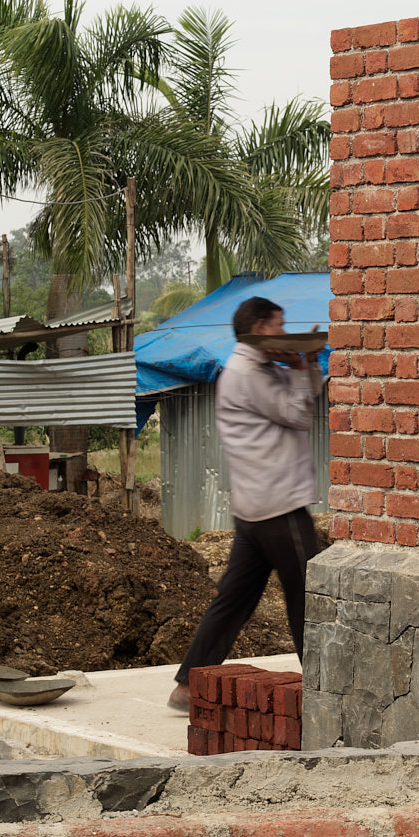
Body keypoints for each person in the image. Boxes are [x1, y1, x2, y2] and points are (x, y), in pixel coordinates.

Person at [169, 295, 322, 713]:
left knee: (234, 599)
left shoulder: (254, 366)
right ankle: (328, 685)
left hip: (256, 508)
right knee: (309, 597)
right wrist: (302, 365)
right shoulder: (249, 371)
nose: (284, 332)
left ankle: (187, 684)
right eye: (278, 325)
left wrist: (300, 366)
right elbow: (299, 414)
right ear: (258, 327)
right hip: (278, 504)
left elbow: (304, 400)